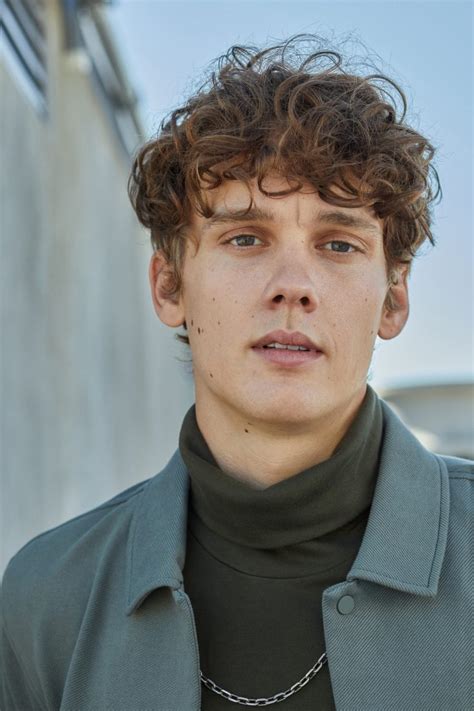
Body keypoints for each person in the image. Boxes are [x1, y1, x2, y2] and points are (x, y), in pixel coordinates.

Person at [1, 36, 472, 711]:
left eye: (339, 244)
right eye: (245, 238)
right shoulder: (46, 599)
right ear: (170, 286)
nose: (293, 286)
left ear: (392, 300)